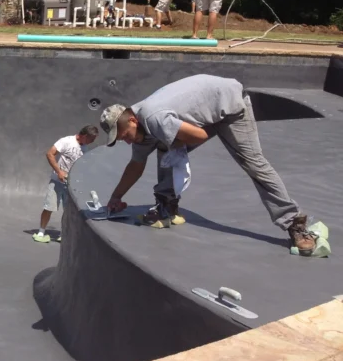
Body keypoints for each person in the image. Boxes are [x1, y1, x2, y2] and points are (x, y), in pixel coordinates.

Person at [99, 74, 317, 255]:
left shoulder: (154, 119)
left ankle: (294, 223)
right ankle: (167, 206)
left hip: (230, 105)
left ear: (132, 121)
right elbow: (136, 165)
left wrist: (177, 146)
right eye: (121, 140)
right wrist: (116, 197)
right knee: (166, 149)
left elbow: (199, 136)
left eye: (125, 135)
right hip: (204, 108)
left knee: (253, 164)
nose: (127, 141)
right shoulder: (137, 128)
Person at [33, 125, 99, 243]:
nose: (92, 142)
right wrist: (59, 171)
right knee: (49, 207)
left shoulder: (85, 149)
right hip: (56, 183)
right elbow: (50, 154)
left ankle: (64, 234)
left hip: (71, 186)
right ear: (84, 136)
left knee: (68, 212)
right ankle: (40, 233)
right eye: (91, 139)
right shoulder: (66, 141)